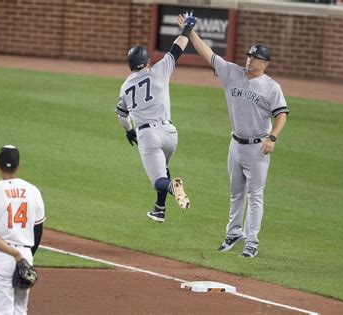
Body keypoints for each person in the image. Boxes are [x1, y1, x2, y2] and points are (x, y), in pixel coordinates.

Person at [179, 14, 289, 257]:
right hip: (235, 143)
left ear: (265, 63)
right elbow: (208, 53)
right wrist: (190, 31)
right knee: (236, 192)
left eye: (255, 58)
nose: (249, 61)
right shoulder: (233, 73)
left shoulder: (272, 87)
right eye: (249, 56)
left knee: (255, 195)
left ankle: (252, 243)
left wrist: (272, 137)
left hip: (258, 147)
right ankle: (233, 233)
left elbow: (282, 115)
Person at [115, 12, 197, 223]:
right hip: (170, 134)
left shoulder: (125, 87)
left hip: (148, 136)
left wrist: (129, 131)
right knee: (163, 168)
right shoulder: (160, 69)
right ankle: (159, 209)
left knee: (160, 180)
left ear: (129, 65)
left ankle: (173, 187)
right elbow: (177, 47)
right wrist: (187, 26)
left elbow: (122, 115)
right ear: (148, 61)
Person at [0, 145, 46, 313]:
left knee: (3, 312)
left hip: (1, 257)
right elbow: (38, 230)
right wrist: (24, 257)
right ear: (19, 165)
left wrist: (14, 255)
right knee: (20, 310)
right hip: (26, 255)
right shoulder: (33, 191)